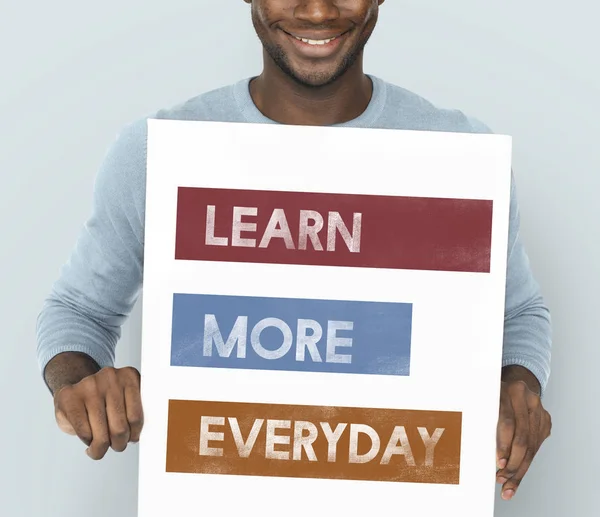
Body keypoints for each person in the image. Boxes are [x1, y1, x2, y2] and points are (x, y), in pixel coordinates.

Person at [36, 0, 552, 502]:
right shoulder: (159, 152)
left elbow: (520, 312)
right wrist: (80, 386)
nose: (319, 12)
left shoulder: (458, 155)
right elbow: (79, 311)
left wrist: (519, 385)